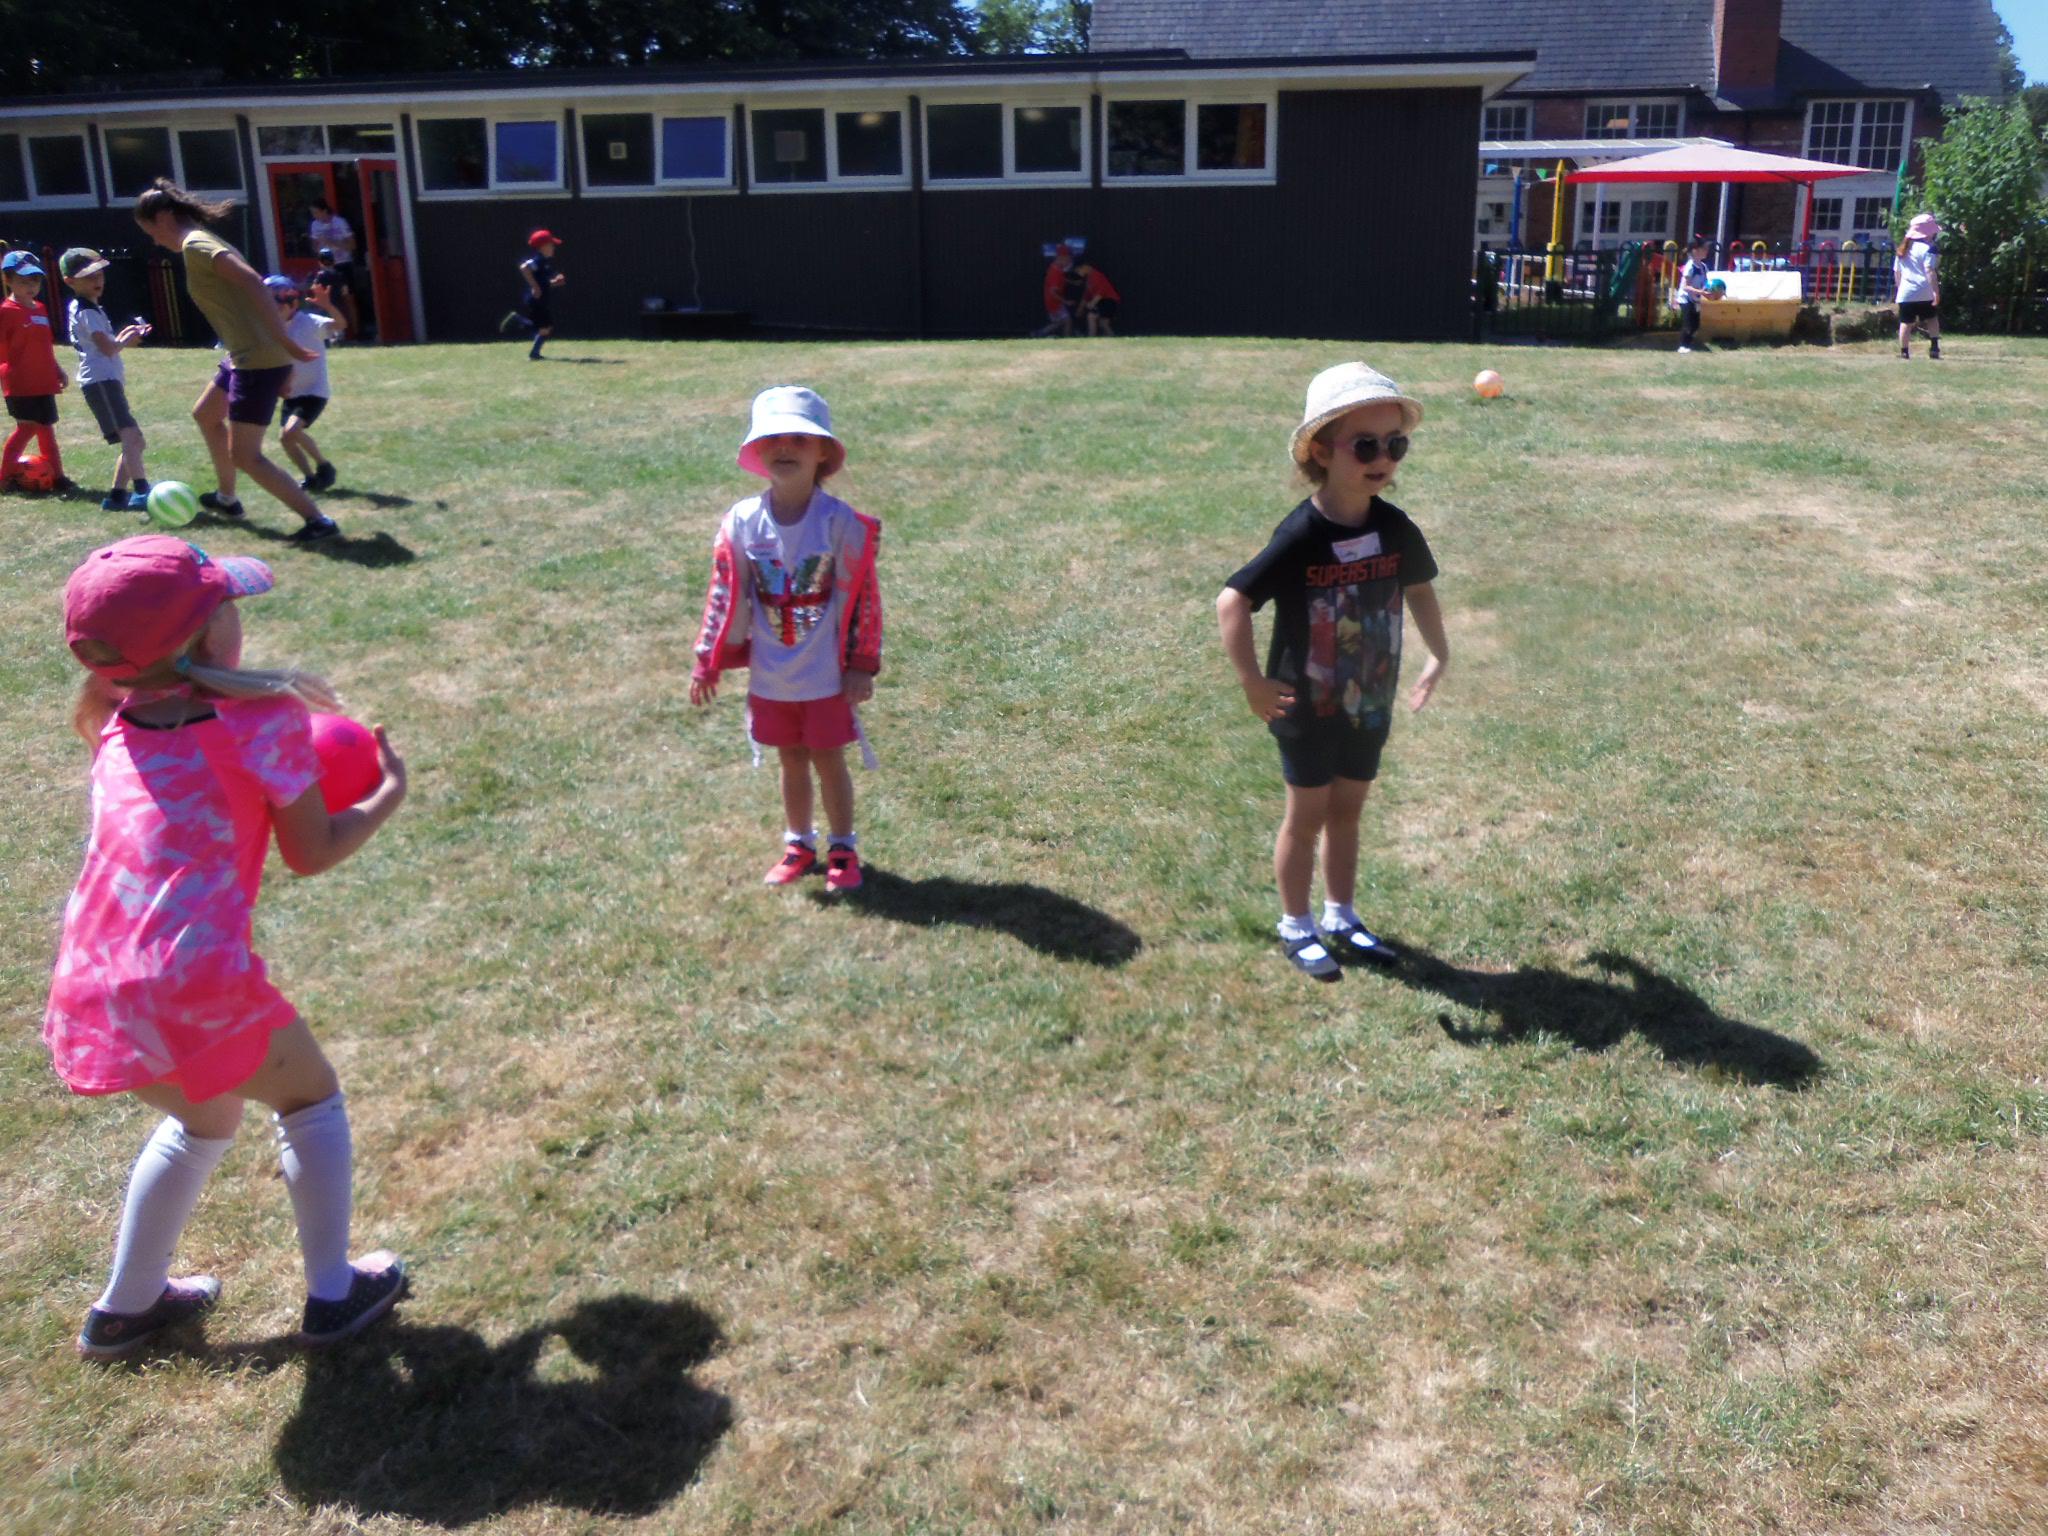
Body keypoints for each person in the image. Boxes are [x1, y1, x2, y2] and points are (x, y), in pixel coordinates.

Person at [48, 533, 408, 1358]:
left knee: (202, 1121)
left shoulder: (115, 721)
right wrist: (387, 794)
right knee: (309, 1098)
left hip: (96, 985)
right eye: (227, 608)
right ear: (210, 638)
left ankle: (127, 1307)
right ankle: (335, 1294)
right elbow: (311, 851)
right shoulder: (264, 720)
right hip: (195, 979)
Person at [1215, 362, 1449, 981]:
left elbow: (1419, 588)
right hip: (1308, 706)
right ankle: (1296, 924)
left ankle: (1341, 915)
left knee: (1348, 810)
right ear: (1321, 451)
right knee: (1307, 816)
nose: (1384, 458)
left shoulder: (1393, 527)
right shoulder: (1302, 534)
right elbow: (1233, 600)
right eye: (1365, 445)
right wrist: (1252, 683)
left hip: (1368, 700)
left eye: (1395, 445)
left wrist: (1439, 652)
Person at [691, 386, 883, 893]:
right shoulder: (742, 521)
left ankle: (843, 847)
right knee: (790, 758)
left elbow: (864, 595)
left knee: (827, 758)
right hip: (772, 676)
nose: (784, 447)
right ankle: (798, 844)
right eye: (772, 438)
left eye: (799, 438)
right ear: (757, 451)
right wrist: (707, 658)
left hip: (824, 676)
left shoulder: (839, 522)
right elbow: (723, 593)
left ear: (822, 452)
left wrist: (861, 662)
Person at [131, 180, 339, 542]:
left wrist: (281, 341)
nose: (155, 241)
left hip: (256, 359)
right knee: (206, 414)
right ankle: (227, 499)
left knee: (246, 455)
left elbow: (255, 283)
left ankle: (318, 521)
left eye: (151, 232)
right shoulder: (201, 242)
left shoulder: (197, 245)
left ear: (163, 217)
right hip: (244, 354)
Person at [59, 247, 152, 511]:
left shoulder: (90, 308)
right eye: (88, 276)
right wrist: (125, 339)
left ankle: (117, 497)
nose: (97, 280)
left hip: (105, 380)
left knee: (135, 441)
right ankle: (142, 491)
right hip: (100, 382)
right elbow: (108, 348)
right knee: (131, 435)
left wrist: (127, 336)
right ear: (70, 281)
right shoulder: (87, 311)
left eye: (99, 273)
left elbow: (107, 345)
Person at [0, 249, 73, 493]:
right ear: (7, 280)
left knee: (46, 429)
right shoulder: (6, 312)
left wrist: (57, 369)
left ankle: (58, 476)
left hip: (43, 380)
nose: (31, 286)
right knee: (27, 428)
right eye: (23, 281)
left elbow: (44, 345)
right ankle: (4, 478)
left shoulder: (40, 308)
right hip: (20, 382)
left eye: (35, 280)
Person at [268, 274, 347, 491]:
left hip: (314, 391)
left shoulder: (310, 322)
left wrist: (328, 306)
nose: (272, 311)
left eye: (276, 305)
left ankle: (324, 466)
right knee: (286, 439)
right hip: (291, 392)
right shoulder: (273, 329)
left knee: (290, 432)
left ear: (293, 303)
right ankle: (311, 477)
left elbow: (340, 324)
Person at [500, 229, 564, 360]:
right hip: (536, 299)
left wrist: (556, 282)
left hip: (541, 299)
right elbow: (524, 267)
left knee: (546, 327)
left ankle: (534, 353)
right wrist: (535, 287)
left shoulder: (545, 262)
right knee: (544, 328)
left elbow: (544, 283)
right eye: (551, 244)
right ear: (543, 246)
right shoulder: (539, 260)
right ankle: (517, 321)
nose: (553, 247)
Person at [304, 199, 361, 338]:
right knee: (329, 299)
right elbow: (314, 246)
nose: (315, 216)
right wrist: (319, 247)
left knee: (348, 298)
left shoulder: (340, 223)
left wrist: (332, 242)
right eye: (312, 213)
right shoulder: (315, 225)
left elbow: (352, 245)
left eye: (316, 212)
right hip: (327, 267)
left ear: (324, 211)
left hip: (343, 264)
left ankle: (356, 332)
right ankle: (334, 334)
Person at [1895, 211, 1941, 361]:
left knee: (1905, 323)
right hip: (1925, 291)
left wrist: (1900, 289)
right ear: (1928, 233)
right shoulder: (1929, 249)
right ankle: (1934, 347)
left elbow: (1897, 272)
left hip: (1906, 292)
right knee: (1932, 319)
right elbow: (1930, 271)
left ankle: (1904, 352)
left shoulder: (1902, 250)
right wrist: (1935, 292)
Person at [1673, 236, 1711, 354]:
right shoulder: (1690, 266)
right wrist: (1701, 292)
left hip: (1696, 300)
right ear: (1695, 250)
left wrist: (1710, 291)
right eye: (1704, 248)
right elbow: (1686, 286)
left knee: (1696, 324)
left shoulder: (1704, 267)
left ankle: (1687, 345)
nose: (1707, 251)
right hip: (1686, 299)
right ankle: (1682, 346)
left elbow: (1705, 283)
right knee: (1689, 323)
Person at [1074, 255, 1121, 337]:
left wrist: (1092, 303)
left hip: (1109, 301)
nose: (1078, 273)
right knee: (1102, 324)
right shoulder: (1089, 279)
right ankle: (1110, 338)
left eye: (1078, 270)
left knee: (1093, 317)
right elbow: (1086, 296)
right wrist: (1080, 308)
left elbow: (1101, 292)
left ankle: (1091, 338)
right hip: (1104, 302)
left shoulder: (1096, 275)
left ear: (1085, 266)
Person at [1037, 244, 1077, 337]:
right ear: (1062, 258)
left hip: (1052, 302)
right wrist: (1066, 302)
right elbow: (1053, 292)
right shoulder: (1056, 272)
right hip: (1055, 303)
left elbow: (1059, 280)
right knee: (1067, 321)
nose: (1070, 262)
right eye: (1068, 259)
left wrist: (1072, 282)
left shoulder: (1055, 268)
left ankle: (1039, 333)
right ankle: (1066, 340)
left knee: (1059, 322)